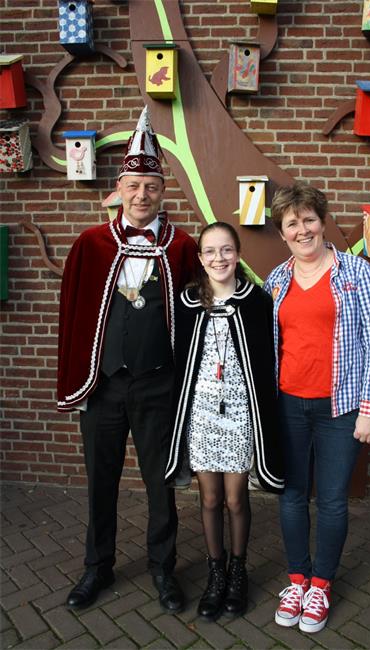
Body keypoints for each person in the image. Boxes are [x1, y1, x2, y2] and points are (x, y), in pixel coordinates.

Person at [57, 107, 199, 613]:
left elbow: (197, 314)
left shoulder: (183, 247)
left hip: (159, 385)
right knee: (101, 481)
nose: (142, 195)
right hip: (104, 386)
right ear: (119, 188)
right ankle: (97, 567)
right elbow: (72, 315)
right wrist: (75, 380)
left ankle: (163, 568)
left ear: (163, 192)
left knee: (161, 484)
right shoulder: (90, 244)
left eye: (152, 187)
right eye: (134, 186)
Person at [264, 182, 370, 634]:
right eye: (292, 223)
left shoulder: (356, 273)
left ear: (323, 222)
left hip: (341, 408)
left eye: (309, 220)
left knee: (333, 499)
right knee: (292, 495)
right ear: (282, 232)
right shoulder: (276, 280)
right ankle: (297, 580)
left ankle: (321, 584)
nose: (302, 230)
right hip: (287, 406)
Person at [165, 222, 284, 621]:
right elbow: (179, 360)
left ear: (238, 254)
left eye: (227, 250)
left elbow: (267, 360)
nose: (219, 258)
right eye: (211, 251)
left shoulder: (256, 301)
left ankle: (238, 571)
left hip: (239, 412)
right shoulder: (186, 302)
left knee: (235, 499)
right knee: (210, 499)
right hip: (201, 413)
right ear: (201, 258)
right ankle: (215, 574)